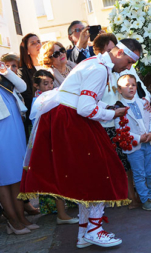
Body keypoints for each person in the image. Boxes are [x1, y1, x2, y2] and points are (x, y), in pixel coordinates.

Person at [20, 39, 143, 249]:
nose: (129, 67)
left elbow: (81, 98)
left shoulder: (94, 62)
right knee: (101, 172)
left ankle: (84, 232)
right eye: (130, 61)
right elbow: (85, 108)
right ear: (120, 53)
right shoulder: (99, 69)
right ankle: (94, 229)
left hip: (65, 119)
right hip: (73, 122)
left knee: (87, 176)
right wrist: (111, 112)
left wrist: (107, 107)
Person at [95, 33, 151, 210]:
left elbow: (141, 88)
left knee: (132, 160)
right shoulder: (98, 68)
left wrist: (146, 101)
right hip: (104, 123)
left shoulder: (127, 67)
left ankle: (136, 195)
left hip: (127, 122)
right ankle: (123, 197)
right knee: (116, 163)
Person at [30, 69, 79, 225]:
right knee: (57, 177)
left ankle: (65, 209)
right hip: (48, 143)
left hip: (56, 140)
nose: (50, 86)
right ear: (36, 85)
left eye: (51, 82)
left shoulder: (50, 97)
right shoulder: (39, 102)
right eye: (45, 83)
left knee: (63, 175)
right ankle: (61, 213)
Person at [0, 60, 38, 235]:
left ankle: (21, 217)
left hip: (12, 119)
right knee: (3, 176)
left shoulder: (3, 73)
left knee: (16, 173)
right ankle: (12, 220)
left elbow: (22, 86)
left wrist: (6, 71)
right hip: (2, 126)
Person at [117, 74, 151, 211]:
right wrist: (138, 138)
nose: (131, 87)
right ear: (119, 90)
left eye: (133, 84)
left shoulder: (143, 102)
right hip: (135, 146)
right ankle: (145, 199)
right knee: (139, 174)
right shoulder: (118, 107)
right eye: (126, 85)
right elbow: (121, 129)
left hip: (149, 142)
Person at [18, 33, 42, 119]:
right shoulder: (23, 72)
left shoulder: (50, 65)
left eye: (38, 41)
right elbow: (27, 97)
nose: (38, 44)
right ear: (27, 51)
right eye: (33, 43)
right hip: (38, 114)